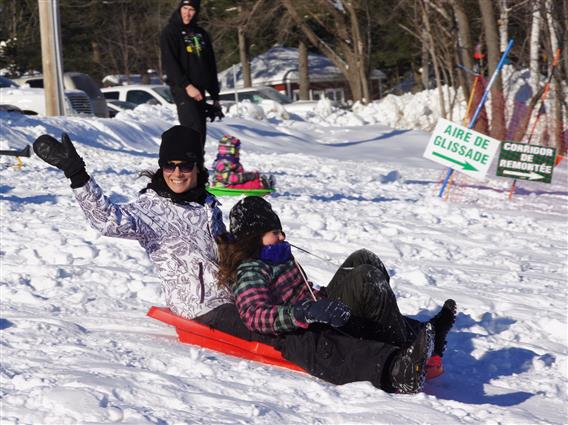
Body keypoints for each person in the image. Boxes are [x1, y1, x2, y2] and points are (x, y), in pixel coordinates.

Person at [32, 131, 452, 394]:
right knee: (290, 332)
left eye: (185, 165)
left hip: (237, 290)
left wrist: (273, 259)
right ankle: (388, 368)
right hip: (204, 306)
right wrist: (77, 174)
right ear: (161, 168)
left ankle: (411, 338)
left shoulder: (208, 204)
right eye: (170, 165)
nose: (177, 172)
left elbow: (232, 250)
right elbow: (108, 220)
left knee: (324, 298)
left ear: (197, 168)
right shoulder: (149, 211)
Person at [217, 196, 457, 392]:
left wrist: (318, 298)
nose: (282, 237)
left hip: (318, 305)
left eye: (280, 230)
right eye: (274, 232)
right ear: (253, 238)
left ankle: (422, 333)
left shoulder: (276, 254)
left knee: (364, 259)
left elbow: (303, 288)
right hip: (308, 322)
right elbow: (254, 314)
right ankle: (402, 345)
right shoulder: (250, 269)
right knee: (365, 277)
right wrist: (303, 312)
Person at [160, 0, 223, 149]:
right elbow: (170, 63)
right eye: (185, 8)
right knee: (192, 129)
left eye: (192, 9)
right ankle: (189, 167)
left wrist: (215, 96)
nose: (187, 13)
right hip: (183, 88)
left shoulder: (201, 33)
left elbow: (210, 65)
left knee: (201, 132)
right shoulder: (170, 32)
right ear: (179, 8)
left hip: (200, 90)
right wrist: (187, 86)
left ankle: (198, 168)